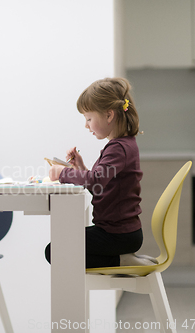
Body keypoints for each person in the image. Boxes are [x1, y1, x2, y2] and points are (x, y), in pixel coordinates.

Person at [46, 77, 155, 268]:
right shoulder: (123, 145)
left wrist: (62, 173)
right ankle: (122, 260)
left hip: (118, 235)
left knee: (55, 250)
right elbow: (100, 186)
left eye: (89, 118)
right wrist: (80, 169)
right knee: (59, 247)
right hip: (123, 232)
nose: (86, 125)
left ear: (109, 115)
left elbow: (95, 180)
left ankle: (121, 261)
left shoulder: (117, 148)